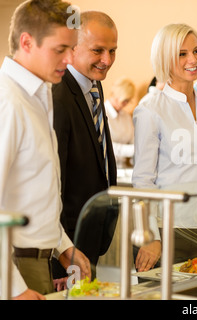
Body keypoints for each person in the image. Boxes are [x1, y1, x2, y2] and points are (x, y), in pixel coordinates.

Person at [0, 0, 90, 299]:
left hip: (38, 259)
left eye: (72, 48)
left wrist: (63, 245)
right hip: (14, 267)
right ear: (26, 42)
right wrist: (12, 288)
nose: (69, 58)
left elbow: (37, 190)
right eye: (60, 49)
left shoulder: (40, 94)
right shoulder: (8, 102)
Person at [133, 23, 197, 266]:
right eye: (182, 53)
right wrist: (149, 236)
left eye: (196, 51)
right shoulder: (150, 110)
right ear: (164, 58)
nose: (193, 59)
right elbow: (143, 181)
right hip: (167, 230)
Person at [52, 10, 118, 284]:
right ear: (73, 47)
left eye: (113, 50)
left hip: (91, 233)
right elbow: (56, 181)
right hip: (66, 247)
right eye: (98, 50)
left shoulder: (94, 86)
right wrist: (62, 253)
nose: (107, 60)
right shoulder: (58, 92)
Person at [105, 77, 136, 167]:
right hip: (107, 166)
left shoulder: (126, 116)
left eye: (128, 101)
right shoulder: (103, 113)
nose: (126, 104)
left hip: (123, 166)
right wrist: (133, 150)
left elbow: (133, 140)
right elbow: (108, 147)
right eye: (125, 100)